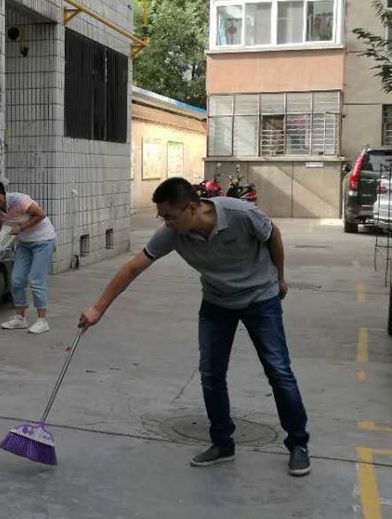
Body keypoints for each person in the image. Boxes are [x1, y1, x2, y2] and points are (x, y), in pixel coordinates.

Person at [78, 177, 311, 477]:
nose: (167, 223)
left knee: (278, 371)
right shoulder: (173, 233)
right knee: (211, 374)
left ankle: (298, 444)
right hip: (217, 302)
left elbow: (272, 234)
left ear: (191, 208)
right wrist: (98, 308)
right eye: (162, 217)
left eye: (170, 216)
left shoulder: (241, 214)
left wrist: (280, 276)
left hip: (260, 298)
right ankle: (222, 443)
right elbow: (133, 267)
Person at [0, 180, 57, 334]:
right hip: (25, 243)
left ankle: (42, 320)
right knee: (17, 280)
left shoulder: (18, 200)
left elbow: (40, 214)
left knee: (36, 280)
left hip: (43, 240)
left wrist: (21, 228)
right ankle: (20, 318)